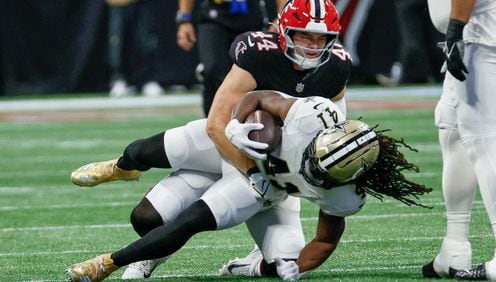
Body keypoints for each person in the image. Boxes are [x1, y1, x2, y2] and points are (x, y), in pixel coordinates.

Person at [70, 0, 352, 278]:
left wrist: (276, 176)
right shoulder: (259, 52)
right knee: (143, 181)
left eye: (321, 38)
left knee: (285, 263)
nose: (313, 46)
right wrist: (250, 166)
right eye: (305, 36)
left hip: (271, 177)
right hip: (230, 140)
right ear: (284, 31)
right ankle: (123, 169)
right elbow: (217, 123)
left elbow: (333, 131)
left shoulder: (335, 69)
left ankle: (248, 265)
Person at [66, 90, 432, 282]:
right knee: (141, 171)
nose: (315, 172)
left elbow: (324, 241)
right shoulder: (311, 116)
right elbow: (258, 97)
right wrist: (242, 122)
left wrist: (300, 266)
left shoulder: (345, 195)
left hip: (263, 189)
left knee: (195, 223)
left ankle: (109, 264)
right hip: (230, 146)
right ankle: (121, 168)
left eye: (325, 174)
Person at [422, 0, 496, 280]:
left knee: (485, 139)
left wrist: (456, 30)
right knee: (451, 123)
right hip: (481, 28)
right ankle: (454, 247)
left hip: (484, 33)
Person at [176, 0, 286, 115]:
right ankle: (211, 122)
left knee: (255, 72)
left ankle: (250, 120)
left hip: (251, 15)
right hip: (214, 15)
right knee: (212, 69)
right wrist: (184, 19)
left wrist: (281, 17)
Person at [106, 0, 165, 97]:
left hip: (143, 3)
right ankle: (118, 79)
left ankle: (148, 80)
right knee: (117, 42)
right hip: (118, 3)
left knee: (145, 40)